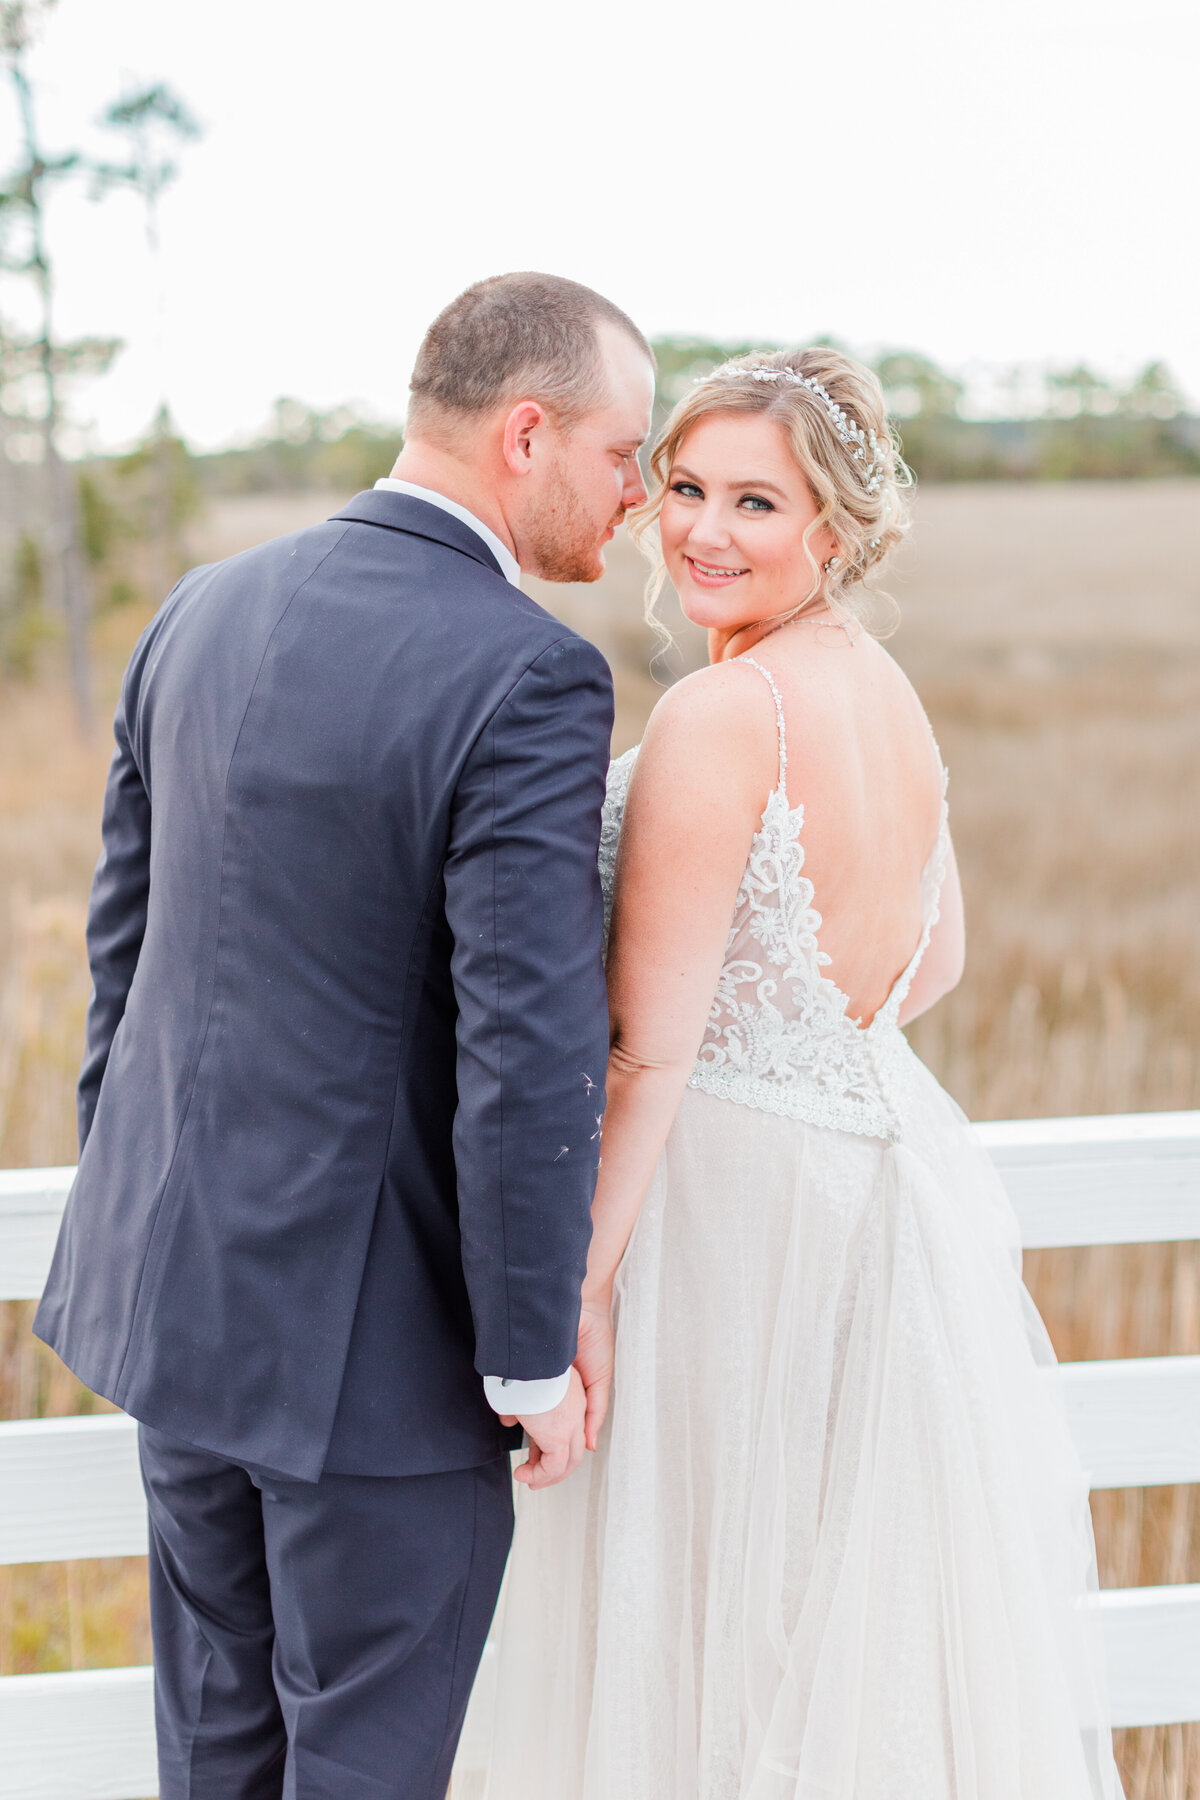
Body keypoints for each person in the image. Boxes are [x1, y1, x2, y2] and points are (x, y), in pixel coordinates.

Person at [33, 271, 655, 1799]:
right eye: (623, 451)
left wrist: (154, 1227)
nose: (634, 495)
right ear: (527, 433)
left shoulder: (202, 607)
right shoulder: (527, 670)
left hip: (179, 1319)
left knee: (217, 1762)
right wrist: (526, 1356)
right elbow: (528, 1040)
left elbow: (127, 966)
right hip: (373, 1372)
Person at [470, 348, 1123, 1798]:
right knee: (829, 1625)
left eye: (755, 501)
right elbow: (931, 960)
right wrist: (818, 1043)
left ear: (833, 526)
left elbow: (650, 1044)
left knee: (704, 1620)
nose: (703, 528)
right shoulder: (884, 688)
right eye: (686, 487)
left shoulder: (728, 711)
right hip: (881, 1172)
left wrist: (574, 1289)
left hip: (730, 1213)